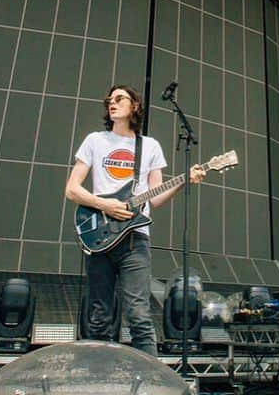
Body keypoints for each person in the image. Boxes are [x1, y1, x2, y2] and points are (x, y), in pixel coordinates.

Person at [65, 84, 205, 356]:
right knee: (99, 316)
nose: (112, 103)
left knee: (139, 315)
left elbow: (155, 199)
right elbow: (72, 189)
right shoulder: (95, 140)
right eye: (109, 100)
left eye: (119, 98)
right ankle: (98, 377)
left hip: (134, 242)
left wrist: (184, 180)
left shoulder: (149, 146)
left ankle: (151, 381)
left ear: (135, 106)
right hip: (100, 237)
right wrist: (105, 204)